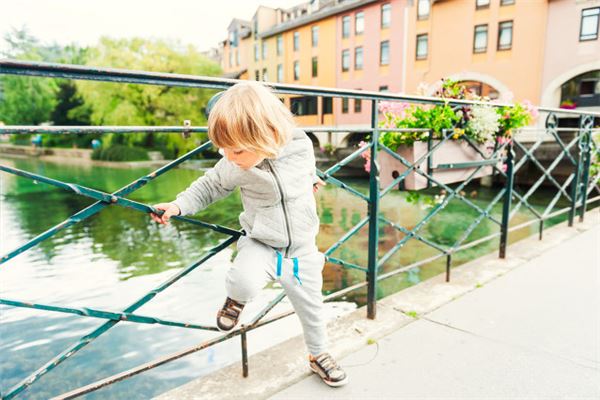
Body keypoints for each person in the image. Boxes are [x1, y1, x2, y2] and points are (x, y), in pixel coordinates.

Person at [149, 81, 348, 387]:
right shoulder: (235, 163)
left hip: (302, 250)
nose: (228, 156)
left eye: (237, 149)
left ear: (267, 135)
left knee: (312, 309)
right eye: (222, 149)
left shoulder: (301, 146)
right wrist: (178, 206)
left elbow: (304, 171)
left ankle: (319, 354)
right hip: (262, 242)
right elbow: (210, 185)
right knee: (243, 279)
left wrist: (310, 180)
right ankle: (235, 301)